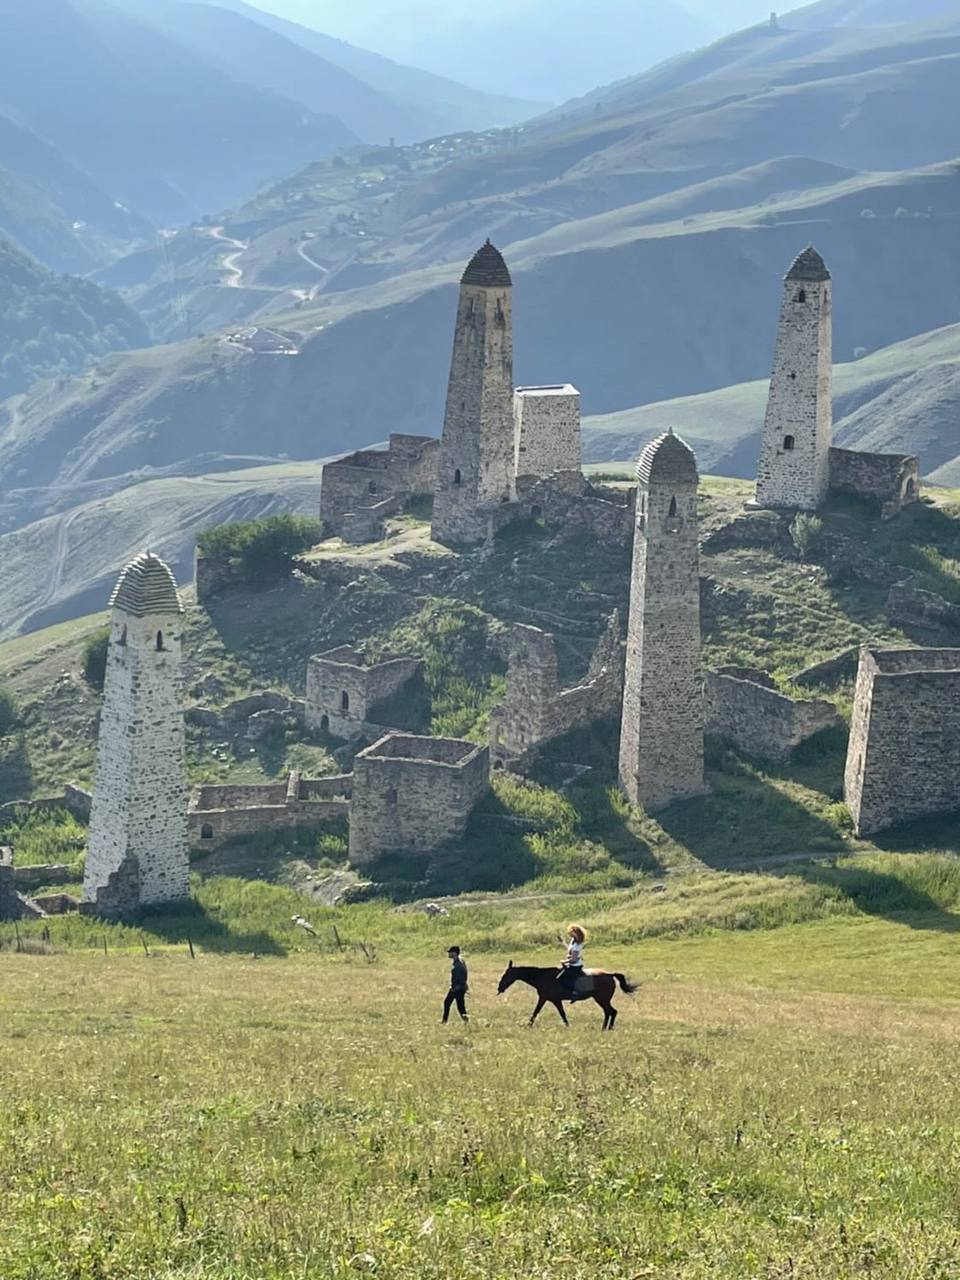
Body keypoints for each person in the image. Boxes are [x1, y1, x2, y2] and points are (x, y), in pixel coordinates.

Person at [442, 945, 469, 1023]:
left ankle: (445, 1021)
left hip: (457, 988)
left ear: (454, 953)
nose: (449, 954)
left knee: (452, 1004)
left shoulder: (458, 964)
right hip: (458, 987)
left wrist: (456, 987)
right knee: (457, 1005)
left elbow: (461, 977)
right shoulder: (459, 961)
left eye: (450, 952)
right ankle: (465, 1020)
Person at [558, 924, 586, 998]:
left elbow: (573, 960)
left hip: (575, 966)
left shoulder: (577, 945)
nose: (569, 933)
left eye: (571, 932)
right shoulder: (573, 940)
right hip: (571, 964)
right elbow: (570, 949)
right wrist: (563, 942)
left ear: (576, 933)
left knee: (562, 979)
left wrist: (564, 961)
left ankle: (574, 993)